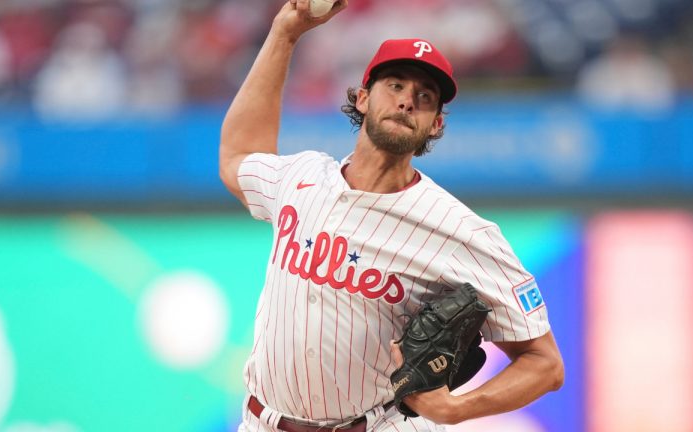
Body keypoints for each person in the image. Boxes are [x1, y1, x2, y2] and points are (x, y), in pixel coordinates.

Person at [219, 1, 564, 431]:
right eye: (395, 86)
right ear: (363, 98)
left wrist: (457, 409)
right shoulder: (302, 176)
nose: (406, 102)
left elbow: (545, 364)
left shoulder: (458, 230)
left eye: (424, 97)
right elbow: (238, 156)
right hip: (263, 421)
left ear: (436, 124)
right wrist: (284, 34)